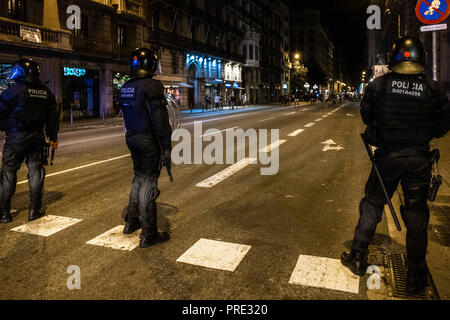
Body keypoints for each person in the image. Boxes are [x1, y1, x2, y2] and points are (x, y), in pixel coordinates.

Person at [341, 36, 449, 294]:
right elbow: (444, 124)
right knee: (416, 215)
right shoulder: (432, 88)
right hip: (418, 160)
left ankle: (357, 257)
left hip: (387, 158)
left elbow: (366, 115)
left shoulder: (380, 85)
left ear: (393, 58)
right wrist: (422, 132)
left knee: (372, 205)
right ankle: (415, 276)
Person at [118, 48, 172, 248]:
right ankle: (148, 234)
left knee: (138, 177)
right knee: (149, 181)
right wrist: (166, 147)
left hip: (131, 137)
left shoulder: (125, 87)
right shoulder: (153, 86)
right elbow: (160, 121)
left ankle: (131, 222)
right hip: (149, 139)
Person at [0, 59, 59, 223]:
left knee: (8, 172)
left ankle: (4, 213)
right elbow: (53, 117)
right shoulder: (46, 92)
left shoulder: (11, 92)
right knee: (36, 171)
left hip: (15, 138)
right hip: (37, 138)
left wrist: (7, 126)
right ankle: (34, 210)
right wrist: (53, 137)